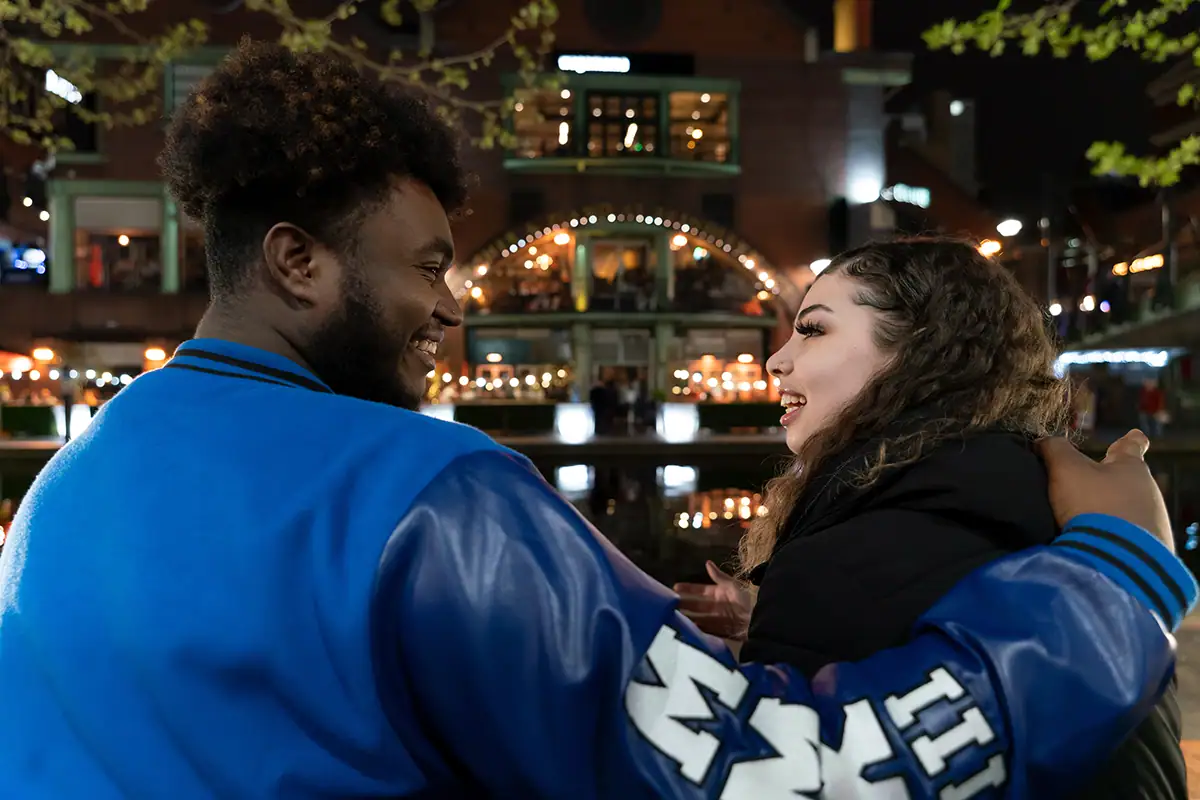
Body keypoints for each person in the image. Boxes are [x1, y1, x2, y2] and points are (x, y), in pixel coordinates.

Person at [0, 41, 1190, 799]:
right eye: (425, 267)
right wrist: (1116, 575)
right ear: (298, 262)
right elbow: (809, 773)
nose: (453, 308)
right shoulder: (430, 495)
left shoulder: (70, 481)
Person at [675, 239, 1188, 798]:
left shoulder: (847, 550)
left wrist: (796, 617)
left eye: (814, 329)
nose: (777, 359)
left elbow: (781, 773)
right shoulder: (1040, 500)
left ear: (918, 349)